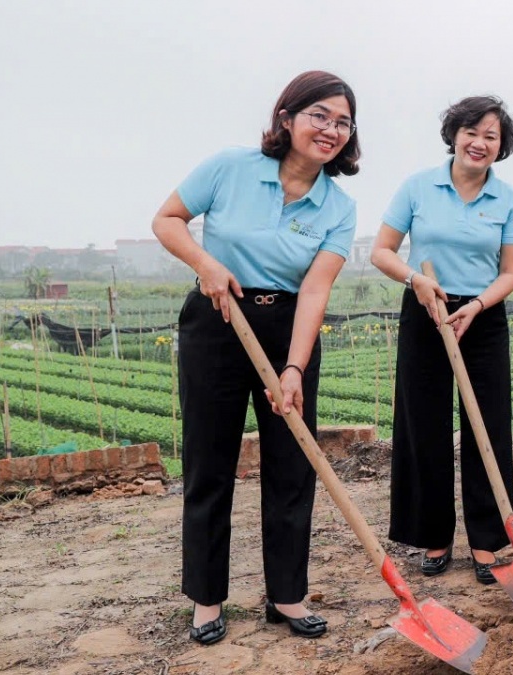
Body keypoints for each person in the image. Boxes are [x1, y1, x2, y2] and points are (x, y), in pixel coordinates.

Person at [152, 70, 359, 645]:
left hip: (287, 327)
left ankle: (287, 595)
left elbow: (315, 290)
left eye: (343, 122)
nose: (331, 129)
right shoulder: (230, 167)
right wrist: (206, 264)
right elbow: (167, 219)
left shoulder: (338, 207)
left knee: (292, 464)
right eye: (319, 115)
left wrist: (294, 367)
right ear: (286, 118)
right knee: (209, 460)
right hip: (216, 320)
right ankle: (206, 599)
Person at [371, 95, 513, 585]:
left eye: (490, 136)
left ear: (501, 146)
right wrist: (414, 279)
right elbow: (382, 251)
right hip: (426, 310)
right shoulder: (418, 187)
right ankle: (434, 536)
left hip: (482, 316)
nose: (479, 142)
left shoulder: (508, 199)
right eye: (471, 132)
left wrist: (477, 305)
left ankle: (487, 540)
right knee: (424, 425)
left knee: (488, 426)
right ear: (454, 135)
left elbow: (510, 273)